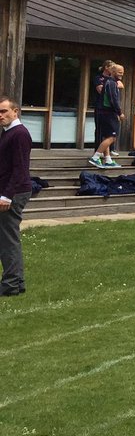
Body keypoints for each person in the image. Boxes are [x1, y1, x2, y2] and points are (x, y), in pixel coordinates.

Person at [0, 96, 33, 295]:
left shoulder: (19, 134)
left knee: (8, 239)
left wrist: (7, 196)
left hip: (15, 192)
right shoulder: (8, 133)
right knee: (7, 238)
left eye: (4, 111)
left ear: (15, 111)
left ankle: (11, 284)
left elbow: (20, 169)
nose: (1, 115)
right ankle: (16, 283)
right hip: (10, 190)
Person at [89, 62, 124, 168]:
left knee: (106, 136)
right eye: (119, 72)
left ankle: (108, 159)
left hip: (105, 112)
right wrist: (119, 112)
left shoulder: (110, 82)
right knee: (112, 137)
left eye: (122, 73)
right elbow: (113, 100)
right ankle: (96, 157)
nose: (121, 75)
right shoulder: (111, 83)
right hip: (108, 113)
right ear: (113, 72)